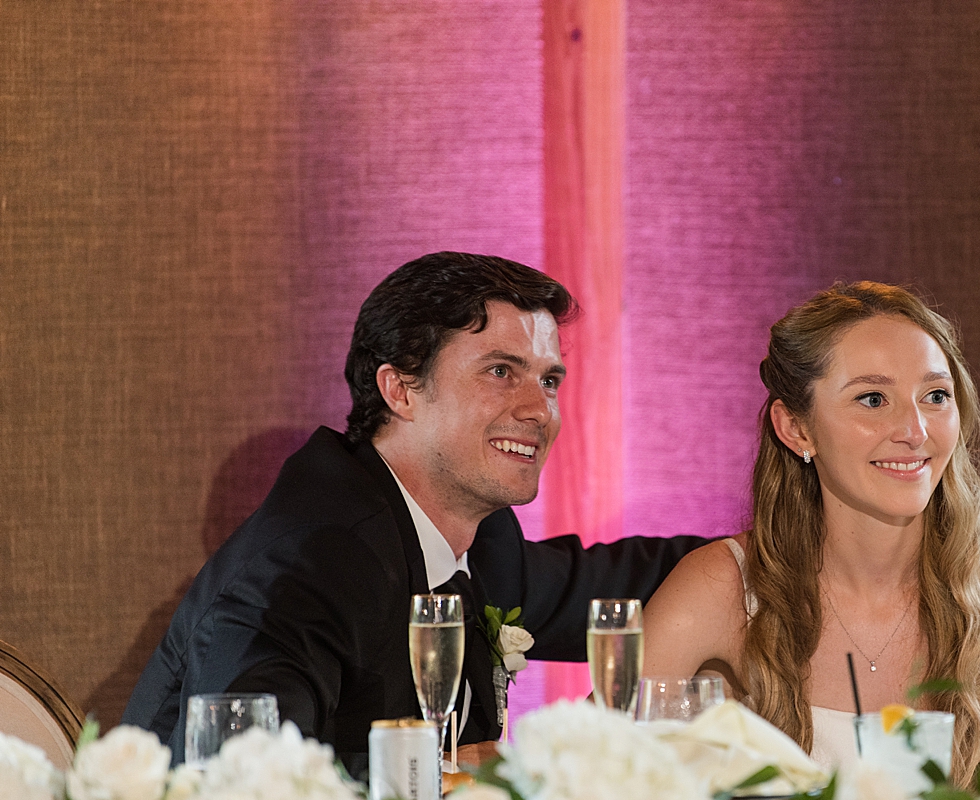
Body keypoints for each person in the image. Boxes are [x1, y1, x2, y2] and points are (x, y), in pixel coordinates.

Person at [122, 252, 706, 771]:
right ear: (400, 390)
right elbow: (248, 775)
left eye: (548, 380)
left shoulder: (482, 541)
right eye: (500, 372)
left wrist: (781, 545)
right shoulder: (306, 561)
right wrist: (445, 769)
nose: (539, 411)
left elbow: (628, 585)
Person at [643, 282, 980, 787]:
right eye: (872, 399)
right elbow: (589, 774)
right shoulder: (722, 587)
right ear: (796, 428)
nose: (914, 431)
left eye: (935, 396)